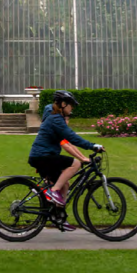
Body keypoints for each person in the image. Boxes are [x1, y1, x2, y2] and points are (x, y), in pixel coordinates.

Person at [27, 90, 103, 232]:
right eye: (71, 105)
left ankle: (59, 217)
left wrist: (85, 152)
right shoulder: (55, 119)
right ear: (63, 104)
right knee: (75, 163)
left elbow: (69, 140)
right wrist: (92, 146)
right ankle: (53, 191)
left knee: (65, 184)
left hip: (44, 156)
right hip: (42, 156)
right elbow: (71, 138)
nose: (72, 108)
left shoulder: (55, 118)